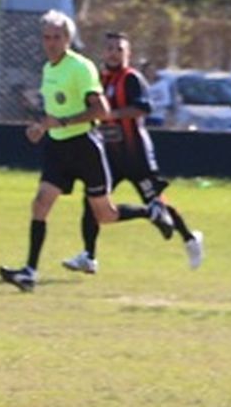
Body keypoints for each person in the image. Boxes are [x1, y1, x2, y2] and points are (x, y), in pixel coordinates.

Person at [0, 11, 166, 292]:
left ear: (68, 39)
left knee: (105, 215)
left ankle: (151, 212)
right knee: (40, 203)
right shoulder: (48, 69)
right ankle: (29, 272)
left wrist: (60, 122)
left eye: (57, 37)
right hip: (57, 147)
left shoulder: (81, 68)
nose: (51, 43)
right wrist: (41, 126)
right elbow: (54, 111)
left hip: (84, 147)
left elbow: (100, 111)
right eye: (46, 37)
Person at [63, 32, 204, 275]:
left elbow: (143, 107)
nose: (113, 53)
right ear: (103, 52)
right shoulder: (98, 79)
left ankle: (191, 239)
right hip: (109, 157)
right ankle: (89, 255)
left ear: (127, 54)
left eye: (119, 49)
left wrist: (112, 115)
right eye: (109, 48)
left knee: (156, 203)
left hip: (136, 155)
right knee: (92, 201)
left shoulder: (131, 79)